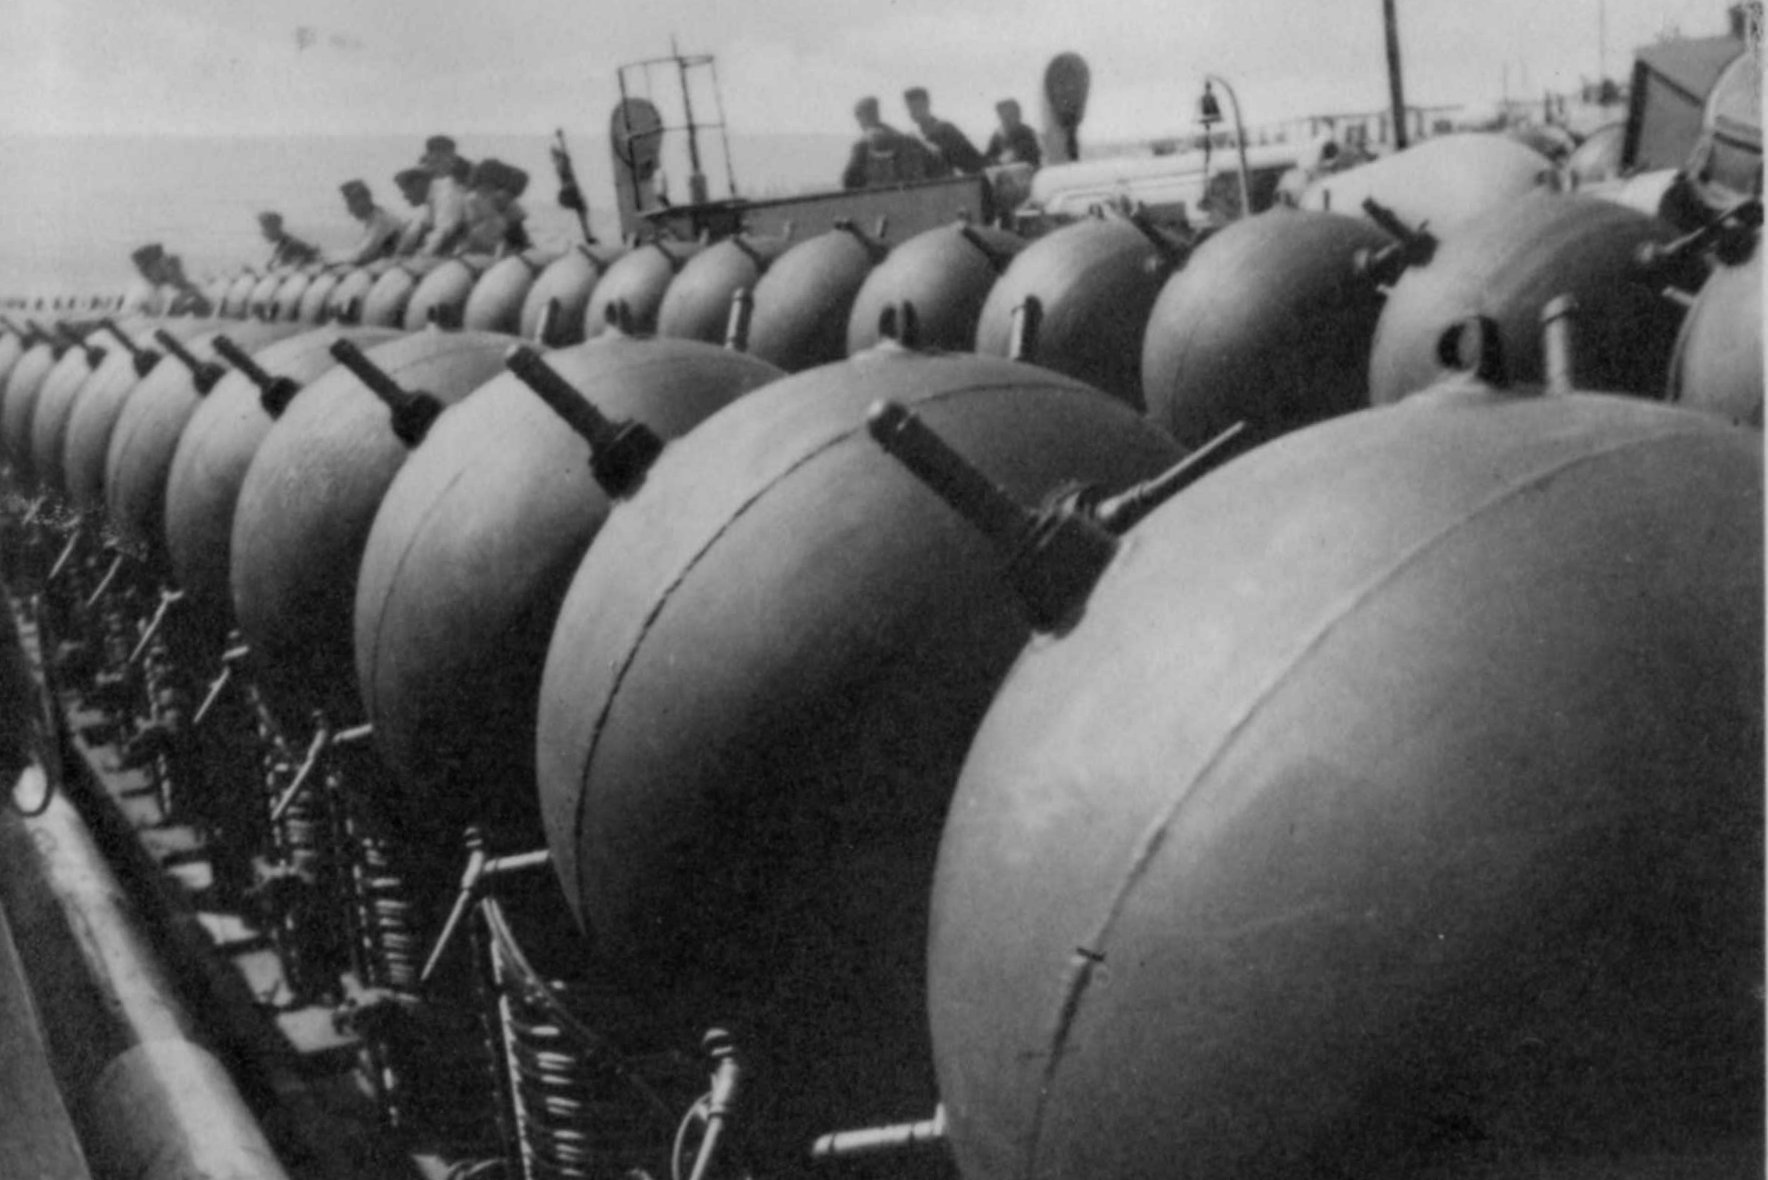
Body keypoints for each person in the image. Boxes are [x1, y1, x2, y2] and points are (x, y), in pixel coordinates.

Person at [841, 96, 934, 189]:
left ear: (860, 117)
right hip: (915, 193)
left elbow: (849, 182)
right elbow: (933, 166)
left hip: (879, 195)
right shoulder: (909, 140)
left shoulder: (863, 145)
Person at [904, 86, 984, 177]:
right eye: (910, 108)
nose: (912, 112)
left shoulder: (945, 129)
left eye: (917, 107)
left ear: (927, 105)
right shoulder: (913, 137)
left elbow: (972, 161)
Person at [461, 159, 533, 256]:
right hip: (478, 244)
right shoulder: (473, 199)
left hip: (505, 241)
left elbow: (521, 176)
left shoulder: (503, 201)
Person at [416, 134, 472, 257]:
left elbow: (446, 229)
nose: (432, 159)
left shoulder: (453, 188)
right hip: (437, 246)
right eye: (431, 153)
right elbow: (428, 223)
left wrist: (425, 253)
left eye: (439, 156)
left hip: (451, 250)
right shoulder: (434, 186)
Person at [327, 179, 403, 266]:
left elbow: (362, 255)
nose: (349, 210)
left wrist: (329, 259)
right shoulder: (375, 220)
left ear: (364, 200)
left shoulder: (382, 221)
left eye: (351, 202)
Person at [984, 99, 1043, 169]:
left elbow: (1029, 157)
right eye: (1002, 117)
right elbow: (989, 158)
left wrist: (1000, 160)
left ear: (1018, 115)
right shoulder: (998, 136)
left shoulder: (1026, 133)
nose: (1004, 121)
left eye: (1009, 116)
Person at [391, 168, 433, 256]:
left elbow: (442, 233)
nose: (405, 196)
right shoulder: (429, 211)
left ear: (418, 184)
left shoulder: (441, 203)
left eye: (405, 189)